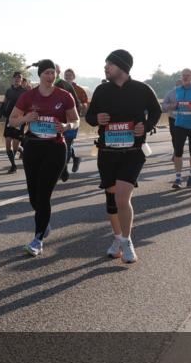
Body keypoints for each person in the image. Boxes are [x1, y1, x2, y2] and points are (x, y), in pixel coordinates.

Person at [84, 49, 162, 265]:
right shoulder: (101, 90)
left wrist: (145, 126)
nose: (106, 67)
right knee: (111, 197)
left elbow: (156, 112)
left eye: (109, 64)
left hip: (133, 152)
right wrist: (96, 118)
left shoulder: (142, 89)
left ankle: (127, 242)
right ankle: (117, 238)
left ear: (122, 67)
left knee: (122, 196)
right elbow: (89, 116)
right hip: (107, 152)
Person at [8, 59, 79, 256]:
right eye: (46, 73)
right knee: (33, 196)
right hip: (32, 146)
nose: (50, 76)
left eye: (52, 73)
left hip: (55, 148)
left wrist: (67, 127)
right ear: (39, 75)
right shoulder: (28, 96)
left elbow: (75, 120)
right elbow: (12, 121)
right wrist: (26, 119)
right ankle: (44, 221)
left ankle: (37, 239)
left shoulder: (64, 96)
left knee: (44, 193)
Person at [161, 69, 191, 189]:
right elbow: (165, 106)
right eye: (183, 75)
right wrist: (173, 106)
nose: (185, 77)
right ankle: (178, 178)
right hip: (179, 124)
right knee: (178, 151)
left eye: (188, 75)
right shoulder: (177, 90)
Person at [52, 64, 82, 181]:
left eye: (53, 70)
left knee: (67, 145)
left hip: (70, 121)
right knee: (58, 145)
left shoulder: (67, 86)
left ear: (58, 71)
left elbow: (77, 104)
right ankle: (74, 159)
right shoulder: (45, 86)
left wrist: (72, 118)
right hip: (55, 122)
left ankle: (63, 168)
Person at [0, 71, 27, 173]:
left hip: (20, 120)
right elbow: (4, 102)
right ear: (12, 79)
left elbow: (28, 105)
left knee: (15, 144)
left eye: (19, 78)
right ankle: (13, 165)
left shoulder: (24, 92)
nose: (17, 79)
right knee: (7, 143)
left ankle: (21, 150)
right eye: (15, 77)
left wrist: (26, 118)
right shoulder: (8, 91)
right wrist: (0, 112)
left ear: (21, 80)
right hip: (9, 119)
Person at [63, 68, 89, 173]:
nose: (68, 76)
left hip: (73, 120)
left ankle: (63, 169)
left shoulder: (79, 89)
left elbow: (85, 104)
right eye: (66, 75)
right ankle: (76, 158)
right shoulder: (59, 87)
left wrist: (81, 105)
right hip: (61, 120)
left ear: (73, 77)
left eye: (70, 75)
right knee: (62, 144)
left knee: (68, 143)